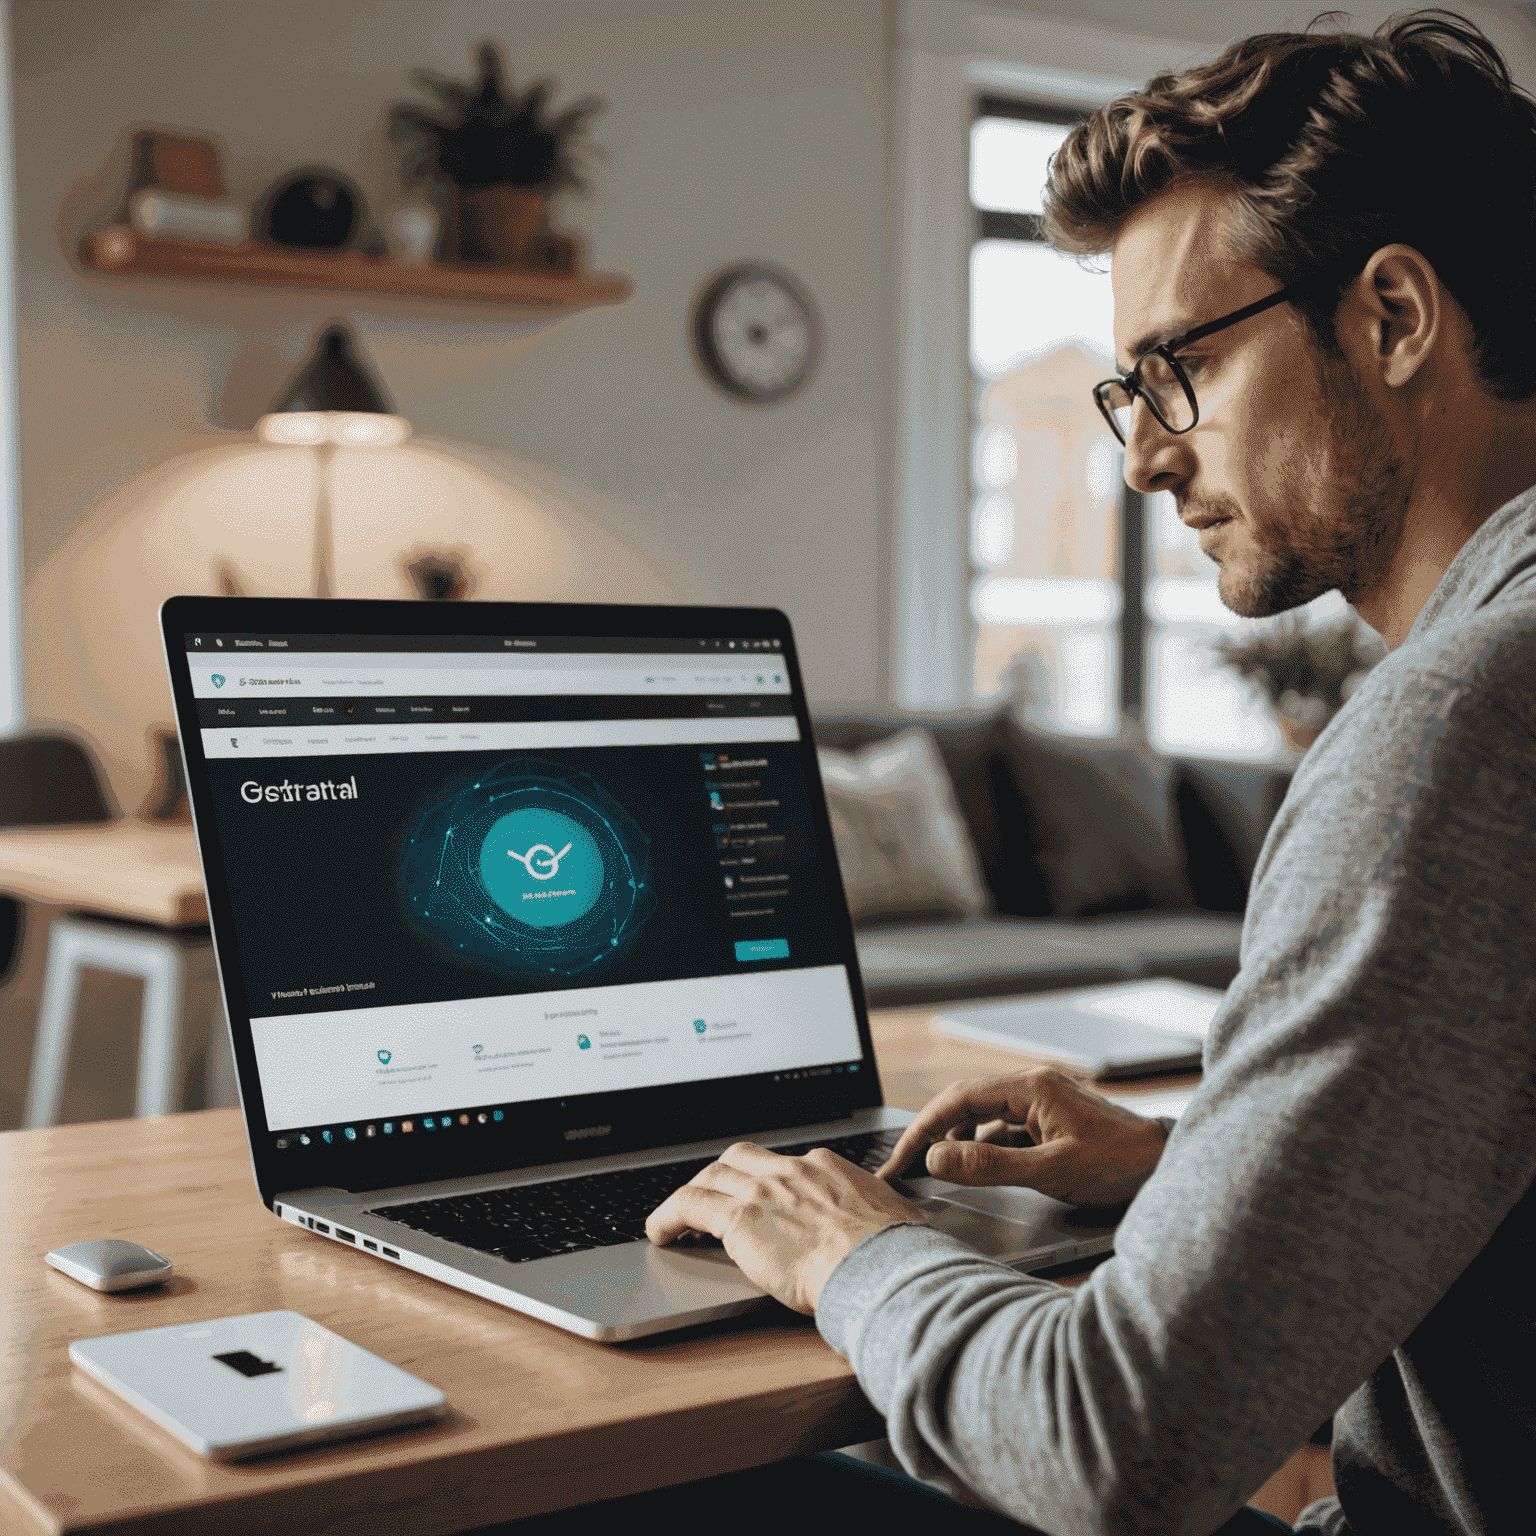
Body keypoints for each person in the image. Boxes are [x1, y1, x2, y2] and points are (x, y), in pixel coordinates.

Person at [641, 12, 1536, 1535]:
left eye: (1171, 372)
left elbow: (1110, 1447)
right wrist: (1193, 1169)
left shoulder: (1454, 727)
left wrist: (841, 1242)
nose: (1141, 459)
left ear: (1392, 316)